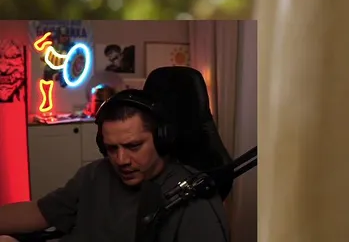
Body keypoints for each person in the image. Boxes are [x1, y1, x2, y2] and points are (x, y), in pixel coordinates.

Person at [0, 90, 228, 242]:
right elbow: (41, 212)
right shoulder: (94, 174)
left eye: (133, 146)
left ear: (162, 139)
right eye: (111, 148)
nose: (121, 160)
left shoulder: (193, 198)